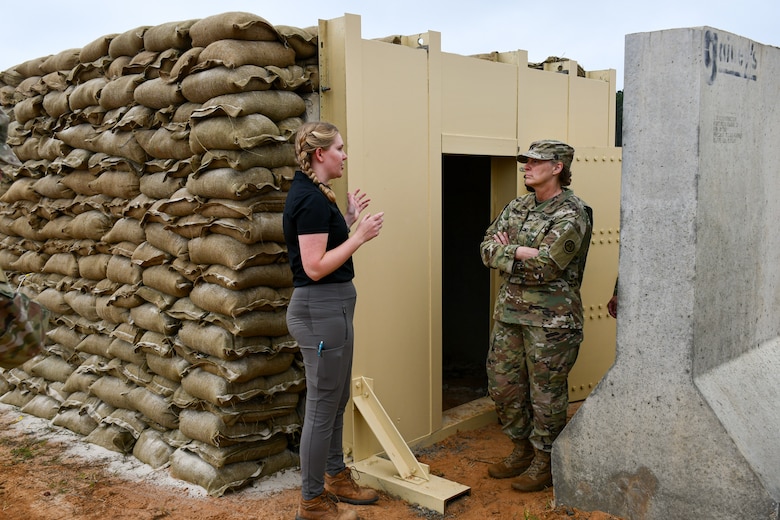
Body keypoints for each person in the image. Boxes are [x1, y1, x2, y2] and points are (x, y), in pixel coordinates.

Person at [283, 121, 384, 520]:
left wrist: (346, 217)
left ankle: (336, 476)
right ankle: (311, 502)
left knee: (336, 398)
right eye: (340, 148)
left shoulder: (317, 197)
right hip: (320, 310)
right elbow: (314, 267)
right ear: (320, 154)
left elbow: (322, 244)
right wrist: (358, 235)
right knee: (322, 408)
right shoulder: (307, 199)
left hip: (334, 309)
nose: (345, 155)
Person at [479, 139, 592, 492]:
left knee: (546, 394)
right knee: (503, 385)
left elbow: (545, 268)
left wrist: (507, 252)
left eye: (534, 162)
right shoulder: (518, 205)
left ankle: (545, 460)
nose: (526, 166)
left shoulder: (572, 213)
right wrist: (521, 251)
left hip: (551, 322)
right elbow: (485, 248)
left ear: (557, 167)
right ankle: (521, 449)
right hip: (510, 314)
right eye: (525, 162)